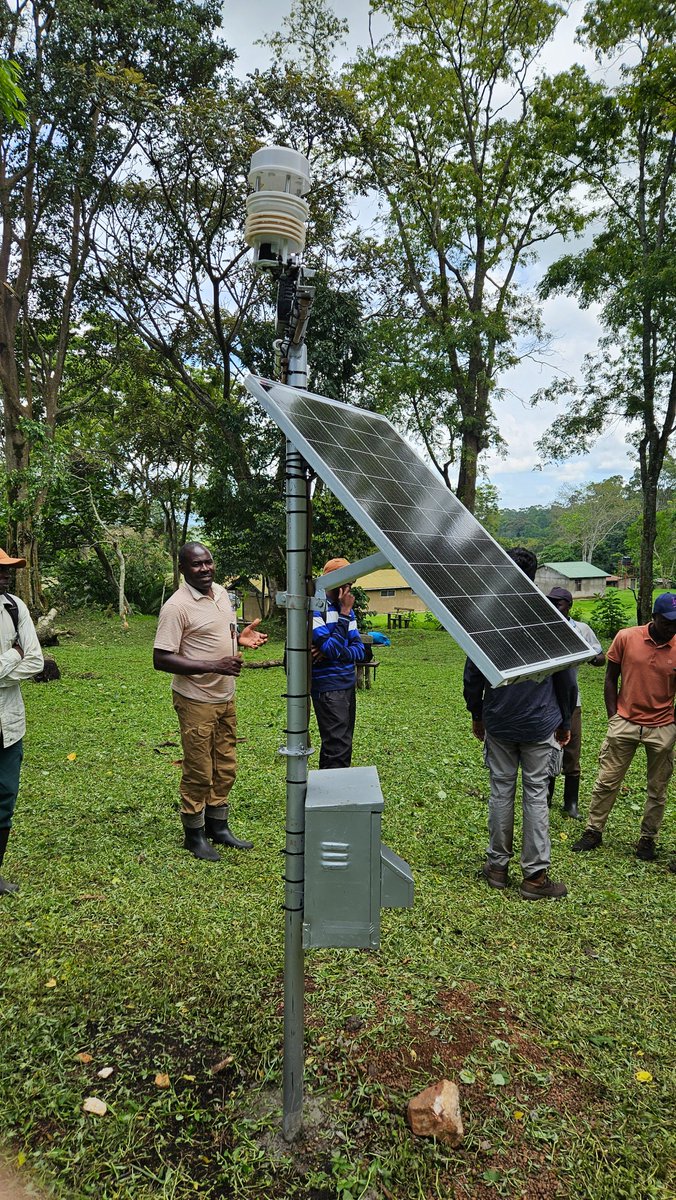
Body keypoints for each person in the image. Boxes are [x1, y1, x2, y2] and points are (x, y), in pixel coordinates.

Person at [463, 547, 575, 900]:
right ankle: (535, 877)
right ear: (535, 574)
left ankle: (497, 867)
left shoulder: (487, 615)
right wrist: (566, 718)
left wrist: (477, 713)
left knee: (500, 790)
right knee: (536, 795)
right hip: (540, 722)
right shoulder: (548, 618)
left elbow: (472, 673)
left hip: (499, 720)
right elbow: (566, 676)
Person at [153, 542, 267, 862]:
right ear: (183, 570)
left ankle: (218, 826)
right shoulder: (177, 607)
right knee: (199, 770)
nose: (205, 569)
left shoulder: (219, 592)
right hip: (196, 699)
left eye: (208, 562)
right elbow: (161, 659)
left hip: (225, 696)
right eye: (196, 565)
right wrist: (214, 666)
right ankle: (194, 835)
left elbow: (219, 634)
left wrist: (240, 639)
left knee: (225, 765)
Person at [572, 591, 676, 861]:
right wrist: (613, 716)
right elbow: (610, 678)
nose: (671, 628)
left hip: (662, 726)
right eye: (667, 622)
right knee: (607, 781)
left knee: (658, 789)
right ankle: (593, 831)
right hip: (625, 721)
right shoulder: (626, 637)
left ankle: (647, 839)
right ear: (653, 617)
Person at [0, 549, 44, 895]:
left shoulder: (14, 607)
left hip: (8, 726)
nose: (4, 577)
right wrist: (14, 654)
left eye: (7, 571)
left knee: (4, 800)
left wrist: (19, 657)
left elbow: (36, 662)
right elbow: (23, 657)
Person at [545, 587, 605, 819]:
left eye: (558, 603)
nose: (553, 607)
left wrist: (587, 655)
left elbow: (601, 658)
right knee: (548, 747)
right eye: (550, 603)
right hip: (545, 700)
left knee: (572, 748)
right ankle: (546, 797)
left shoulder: (581, 629)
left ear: (568, 605)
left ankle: (571, 803)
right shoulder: (543, 629)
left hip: (572, 700)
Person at [311, 557, 365, 770]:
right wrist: (343, 614)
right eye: (344, 581)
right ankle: (333, 796)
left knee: (344, 741)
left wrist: (331, 650)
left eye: (351, 582)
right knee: (337, 745)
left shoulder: (347, 610)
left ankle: (333, 789)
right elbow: (332, 648)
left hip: (347, 684)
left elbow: (360, 650)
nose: (348, 587)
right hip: (328, 688)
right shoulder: (316, 608)